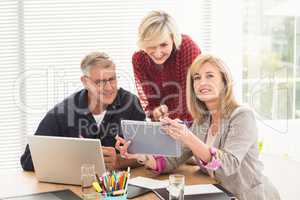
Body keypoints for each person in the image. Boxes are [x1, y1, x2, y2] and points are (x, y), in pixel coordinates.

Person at [116, 54, 281, 199]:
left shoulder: (242, 116)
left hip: (247, 196)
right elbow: (172, 160)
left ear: (224, 82)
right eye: (197, 78)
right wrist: (142, 155)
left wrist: (187, 136)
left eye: (210, 76)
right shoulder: (202, 121)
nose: (202, 82)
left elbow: (227, 166)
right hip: (217, 192)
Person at [21, 51, 146, 171]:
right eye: (100, 82)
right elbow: (28, 160)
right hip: (78, 187)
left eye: (112, 79)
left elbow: (148, 154)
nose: (109, 87)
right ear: (85, 82)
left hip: (118, 188)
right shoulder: (62, 113)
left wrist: (119, 161)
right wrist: (76, 158)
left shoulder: (131, 104)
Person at [132, 10, 200, 122]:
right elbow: (152, 104)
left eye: (163, 45)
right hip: (166, 126)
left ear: (173, 39)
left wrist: (176, 122)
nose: (158, 53)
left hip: (194, 121)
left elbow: (191, 97)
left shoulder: (186, 47)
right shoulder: (139, 59)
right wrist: (157, 112)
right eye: (151, 46)